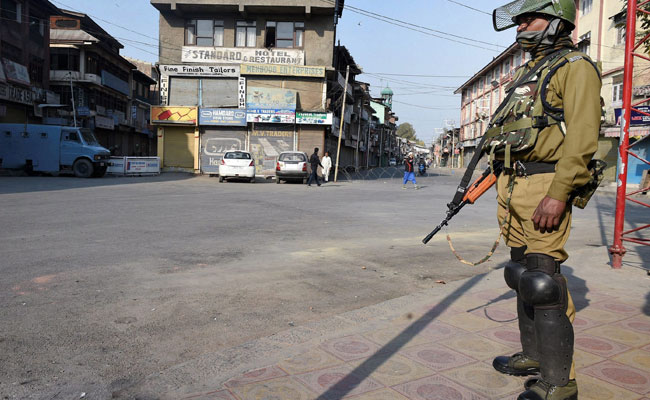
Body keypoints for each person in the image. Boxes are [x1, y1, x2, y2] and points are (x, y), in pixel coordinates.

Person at [487, 1, 601, 399]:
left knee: (542, 283)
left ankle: (559, 383)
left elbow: (583, 138)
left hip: (546, 184)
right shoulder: (528, 73)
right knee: (520, 276)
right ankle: (533, 357)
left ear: (557, 21)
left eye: (529, 17)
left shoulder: (575, 67)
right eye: (519, 18)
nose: (521, 25)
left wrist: (559, 193)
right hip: (513, 185)